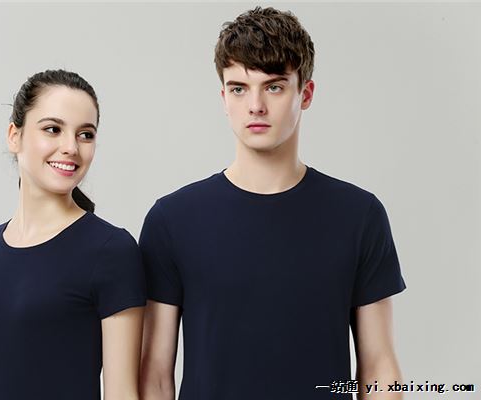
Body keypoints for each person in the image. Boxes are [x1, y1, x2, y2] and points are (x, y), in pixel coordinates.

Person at [138, 7, 406, 400]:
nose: (256, 106)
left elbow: (380, 366)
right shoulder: (172, 220)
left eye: (274, 87)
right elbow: (155, 377)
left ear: (305, 94)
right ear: (224, 97)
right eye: (239, 88)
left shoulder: (359, 216)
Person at [0, 69, 145, 400]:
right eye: (53, 129)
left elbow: (122, 393)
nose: (71, 147)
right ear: (14, 136)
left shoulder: (111, 251)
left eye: (85, 134)